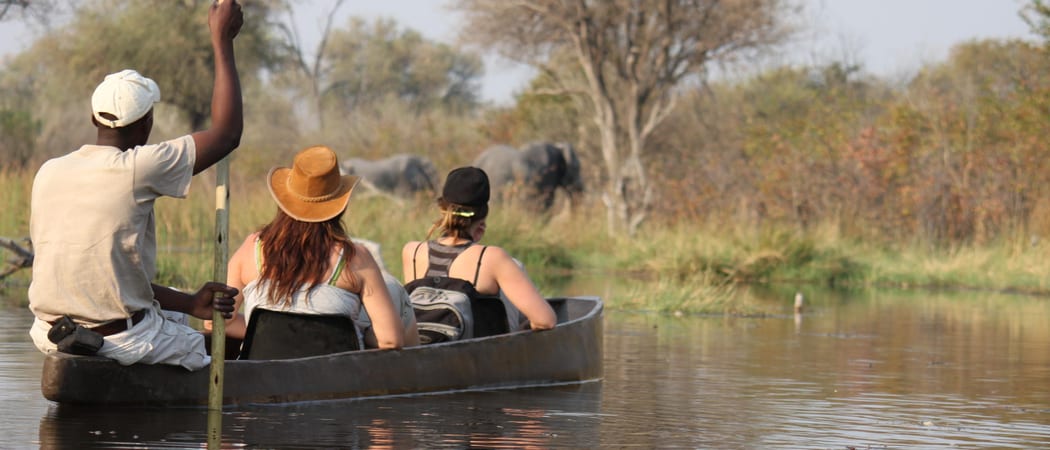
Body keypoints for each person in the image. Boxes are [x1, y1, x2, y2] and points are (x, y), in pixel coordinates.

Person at [27, 1, 245, 370]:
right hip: (120, 342)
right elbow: (226, 135)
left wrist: (191, 303)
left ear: (94, 118)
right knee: (219, 350)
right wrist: (221, 39)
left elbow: (108, 281)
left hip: (50, 334)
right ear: (146, 124)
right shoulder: (138, 167)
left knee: (177, 314)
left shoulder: (49, 171)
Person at [216, 145, 417, 350]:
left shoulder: (252, 248)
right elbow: (391, 340)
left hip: (264, 377)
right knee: (397, 294)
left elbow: (217, 321)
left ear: (283, 200)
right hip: (336, 378)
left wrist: (262, 334)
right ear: (340, 206)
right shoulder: (355, 258)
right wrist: (357, 336)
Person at [401, 166, 557, 343]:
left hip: (424, 351)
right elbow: (545, 321)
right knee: (515, 266)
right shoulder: (492, 258)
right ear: (481, 219)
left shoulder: (412, 252)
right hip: (475, 359)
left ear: (442, 208)